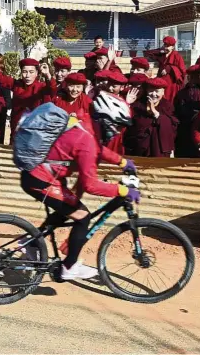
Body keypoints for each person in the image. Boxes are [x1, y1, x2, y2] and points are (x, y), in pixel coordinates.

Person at [20, 93, 139, 280]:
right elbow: (90, 184)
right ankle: (69, 267)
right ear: (105, 121)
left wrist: (122, 162)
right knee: (83, 217)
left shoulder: (86, 124)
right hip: (41, 179)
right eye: (117, 126)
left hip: (42, 175)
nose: (118, 131)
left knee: (67, 208)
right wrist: (122, 190)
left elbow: (99, 151)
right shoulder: (87, 141)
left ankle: (32, 243)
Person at [0, 58, 54, 138]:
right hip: (17, 129)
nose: (27, 76)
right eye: (24, 72)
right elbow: (0, 78)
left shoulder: (41, 87)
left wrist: (47, 75)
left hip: (34, 130)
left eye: (31, 72)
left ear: (36, 73)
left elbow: (52, 89)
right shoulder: (16, 85)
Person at [123, 77, 178, 158]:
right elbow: (126, 123)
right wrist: (127, 103)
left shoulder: (167, 106)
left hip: (159, 150)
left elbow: (172, 127)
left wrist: (155, 112)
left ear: (163, 92)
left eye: (157, 91)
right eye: (151, 90)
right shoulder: (138, 105)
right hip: (139, 150)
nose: (153, 94)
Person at [146, 36, 185, 103]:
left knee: (170, 100)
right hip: (161, 81)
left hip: (171, 84)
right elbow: (148, 53)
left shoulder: (177, 56)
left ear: (173, 47)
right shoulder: (162, 54)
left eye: (168, 46)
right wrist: (160, 50)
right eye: (165, 45)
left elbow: (183, 71)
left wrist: (170, 68)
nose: (166, 47)